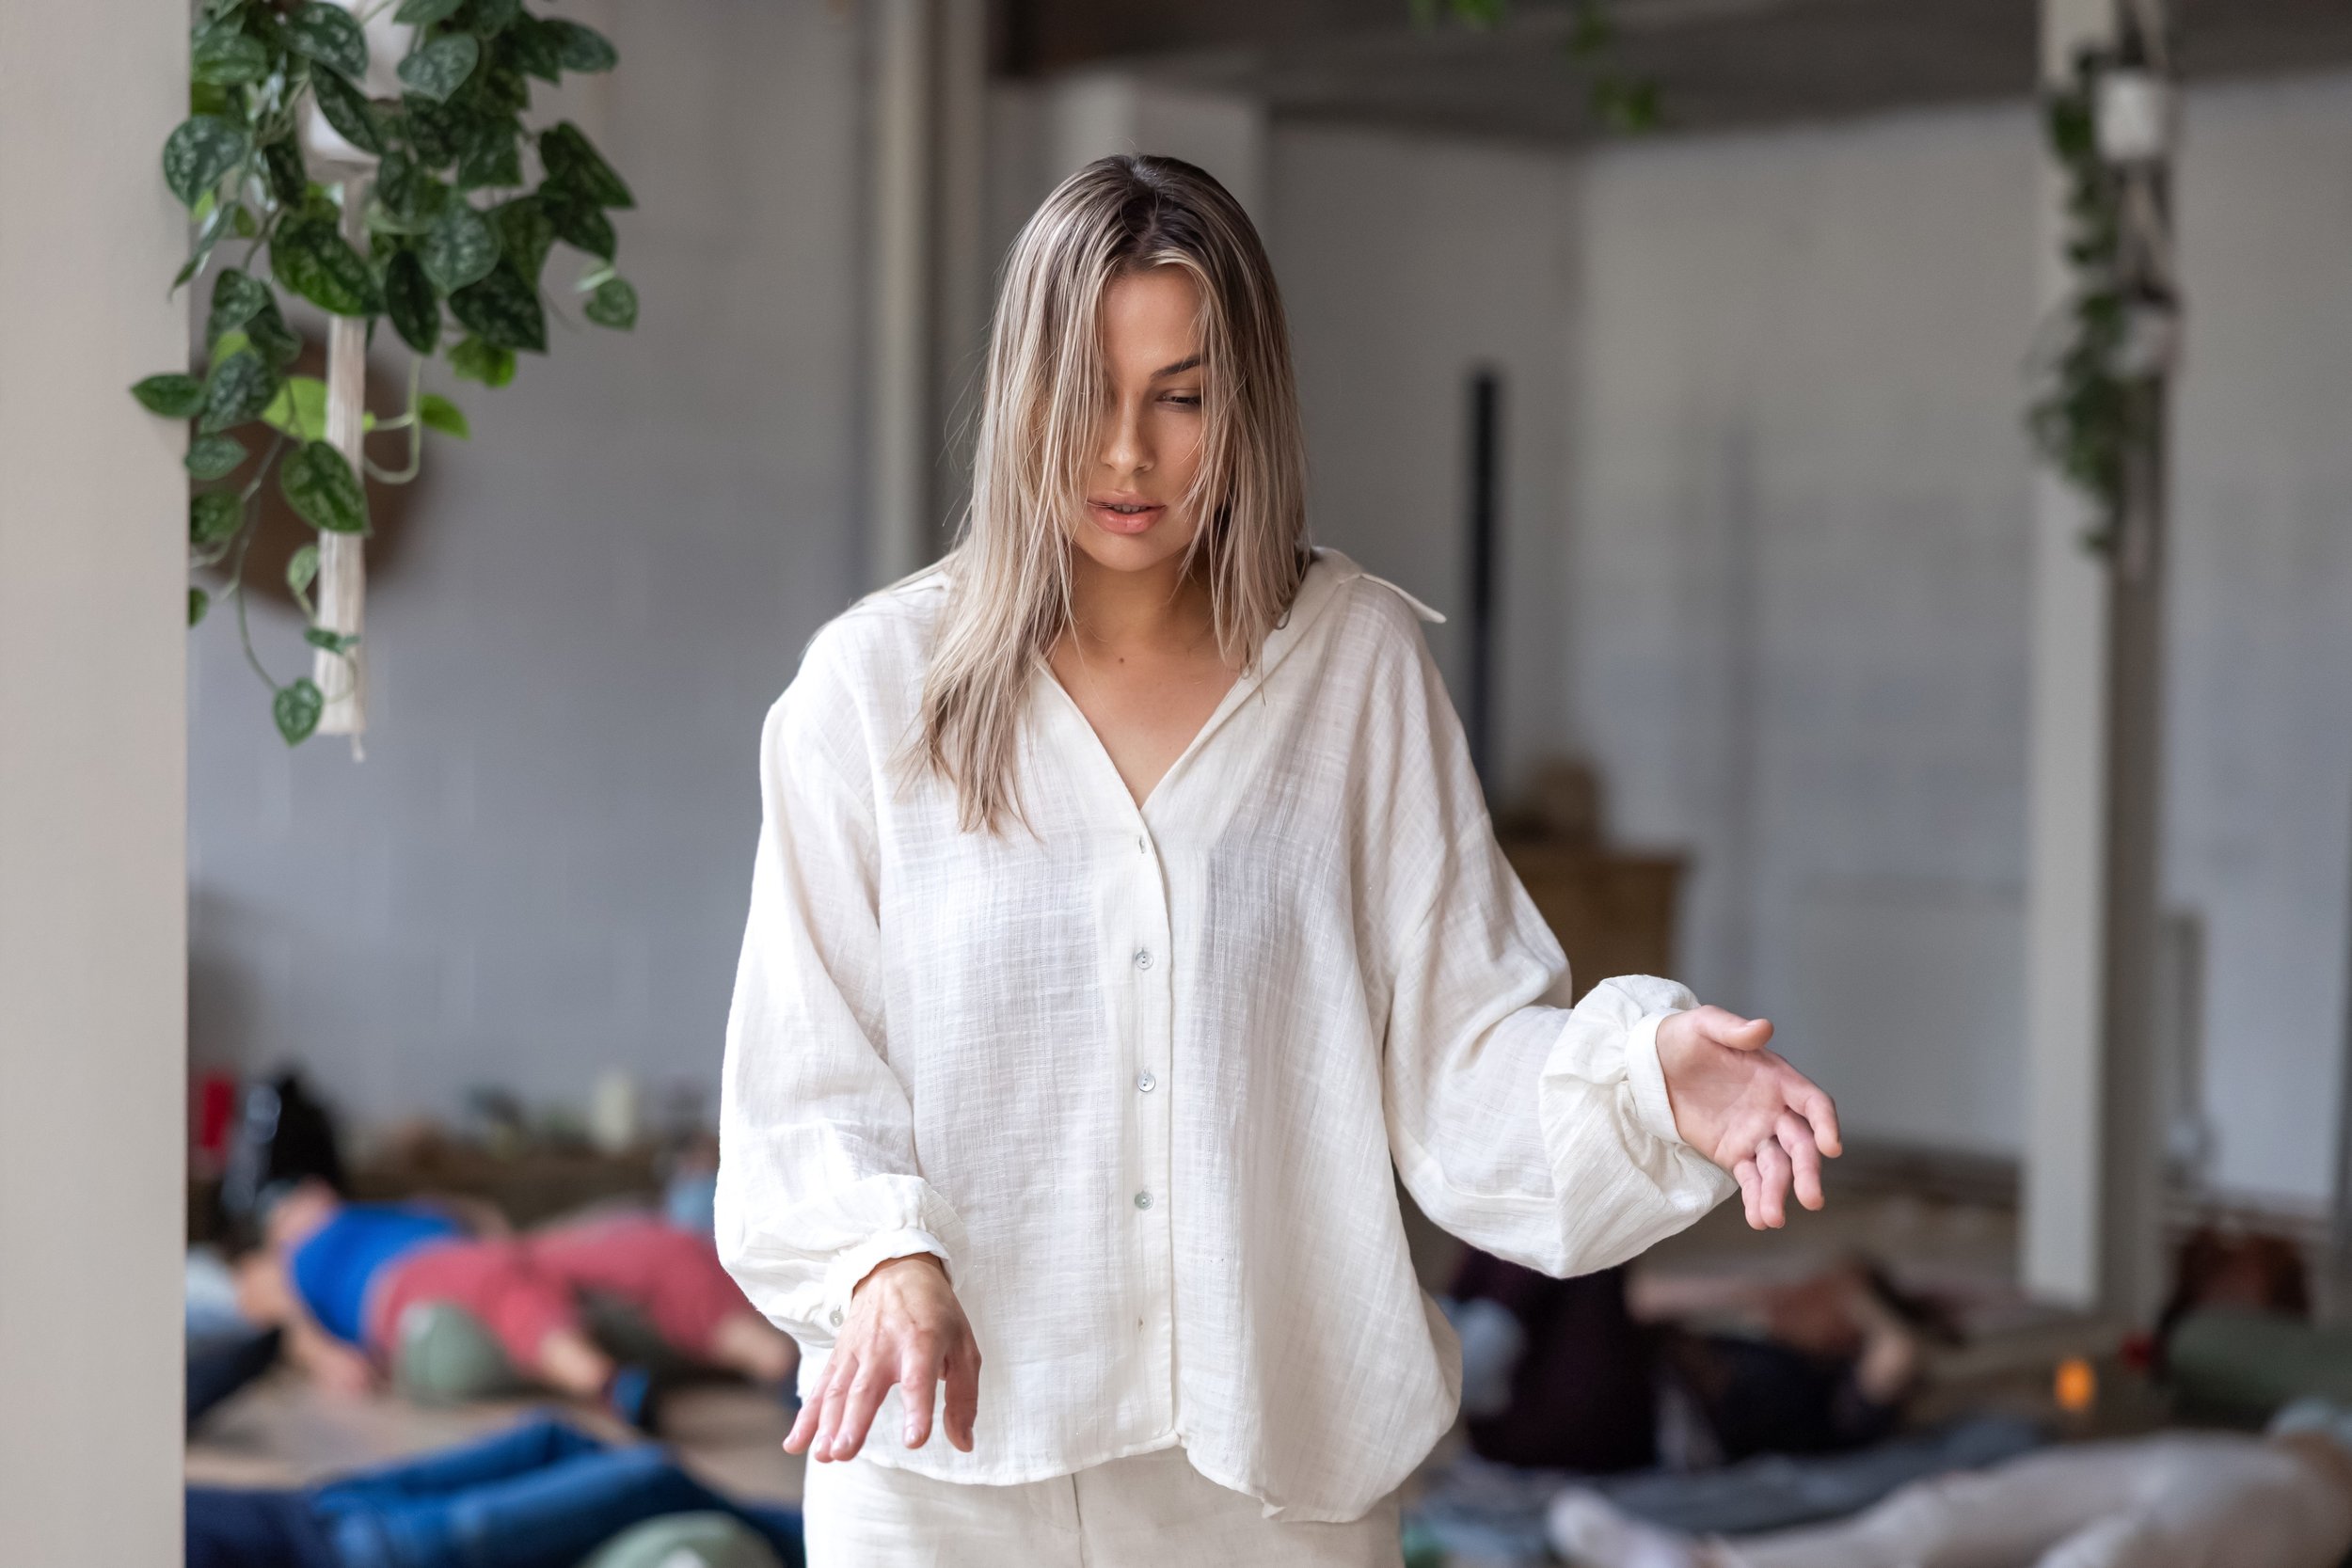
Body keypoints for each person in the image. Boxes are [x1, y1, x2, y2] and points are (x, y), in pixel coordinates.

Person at [714, 153, 1842, 1566]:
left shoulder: (1357, 667)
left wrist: (1643, 1077)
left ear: (1244, 402)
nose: (1126, 451)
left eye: (1180, 396)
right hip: (948, 1465)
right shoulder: (874, 690)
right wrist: (880, 1256)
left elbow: (1456, 1052)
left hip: (1268, 1480)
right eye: (1085, 393)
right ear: (1019, 393)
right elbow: (803, 1074)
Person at [233, 1179, 795, 1428]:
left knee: (651, 1246)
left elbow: (486, 1223)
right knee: (493, 1274)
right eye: (294, 1198)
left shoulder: (386, 1211)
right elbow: (281, 1322)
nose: (313, 1196)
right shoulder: (287, 1258)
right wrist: (329, 1360)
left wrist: (444, 1207)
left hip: (487, 1249)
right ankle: (603, 1382)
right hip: (400, 1289)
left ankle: (778, 1364)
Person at [1547, 1398, 2352, 1568]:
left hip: (2315, 1494)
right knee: (1936, 1512)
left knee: (2119, 1552)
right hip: (2200, 1445)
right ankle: (1707, 1563)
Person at [185, 1414, 804, 1568]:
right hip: (359, 1554)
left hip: (313, 1503)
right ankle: (832, 1548)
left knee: (550, 1436)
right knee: (645, 1476)